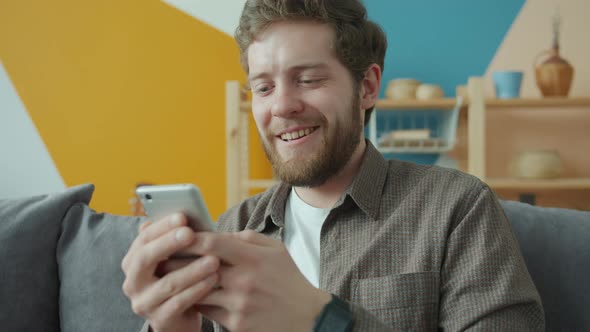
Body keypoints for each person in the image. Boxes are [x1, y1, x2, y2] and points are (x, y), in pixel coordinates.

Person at [121, 1, 544, 331]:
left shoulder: (458, 209)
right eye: (264, 87)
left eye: (308, 79)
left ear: (367, 87)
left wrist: (321, 319)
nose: (282, 106)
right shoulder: (232, 230)